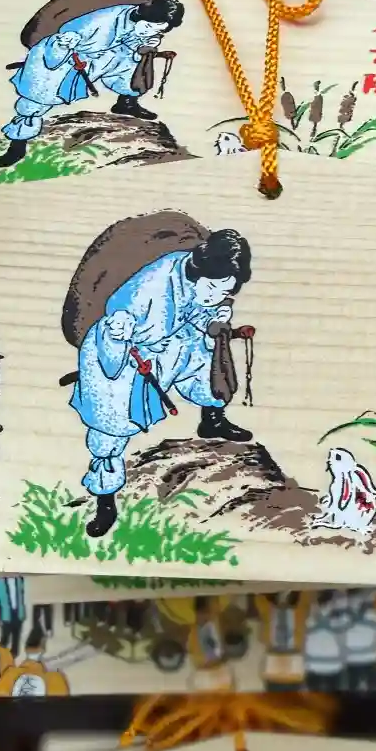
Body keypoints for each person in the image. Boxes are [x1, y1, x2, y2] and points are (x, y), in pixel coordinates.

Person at [70, 230, 253, 538]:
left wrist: (214, 319)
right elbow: (117, 324)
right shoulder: (147, 290)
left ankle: (212, 420)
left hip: (168, 341)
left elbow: (199, 312)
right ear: (199, 270)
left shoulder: (201, 283)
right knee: (111, 424)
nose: (214, 296)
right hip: (123, 352)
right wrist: (118, 334)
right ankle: (105, 500)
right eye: (212, 288)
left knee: (205, 356)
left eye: (224, 291)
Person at [0, 0, 184, 169]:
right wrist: (62, 47)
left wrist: (146, 44)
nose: (150, 32)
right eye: (150, 28)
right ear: (144, 15)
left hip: (104, 54)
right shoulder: (97, 23)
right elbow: (59, 47)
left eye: (159, 31)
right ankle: (17, 145)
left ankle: (126, 103)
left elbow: (132, 40)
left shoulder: (141, 25)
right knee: (39, 97)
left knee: (131, 69)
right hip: (65, 56)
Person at [0, 576, 26, 656]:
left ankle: (13, 655)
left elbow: (22, 594)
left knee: (15, 636)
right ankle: (2, 655)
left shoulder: (19, 579)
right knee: (6, 636)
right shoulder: (0, 581)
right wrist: (3, 605)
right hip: (7, 614)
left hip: (18, 612)